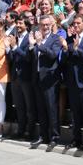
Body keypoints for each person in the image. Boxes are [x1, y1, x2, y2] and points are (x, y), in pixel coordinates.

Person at [61, 14, 83, 150]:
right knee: (75, 114)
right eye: (73, 24)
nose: (75, 26)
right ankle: (76, 139)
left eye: (78, 23)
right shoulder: (69, 39)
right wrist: (65, 50)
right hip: (72, 82)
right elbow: (64, 60)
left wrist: (77, 50)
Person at [29, 15, 63, 150]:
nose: (45, 27)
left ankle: (55, 137)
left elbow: (53, 55)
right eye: (42, 24)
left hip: (50, 78)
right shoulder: (37, 37)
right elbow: (34, 57)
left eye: (47, 24)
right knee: (41, 109)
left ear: (51, 25)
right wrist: (32, 46)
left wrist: (39, 44)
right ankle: (43, 135)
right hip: (37, 77)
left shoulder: (55, 38)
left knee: (51, 108)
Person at [7, 15, 35, 140]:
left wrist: (14, 47)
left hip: (26, 76)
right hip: (15, 77)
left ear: (27, 25)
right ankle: (21, 130)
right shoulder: (15, 38)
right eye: (17, 23)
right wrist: (9, 50)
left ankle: (30, 131)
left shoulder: (30, 38)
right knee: (19, 106)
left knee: (29, 106)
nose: (18, 25)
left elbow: (28, 58)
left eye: (21, 23)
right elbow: (13, 59)